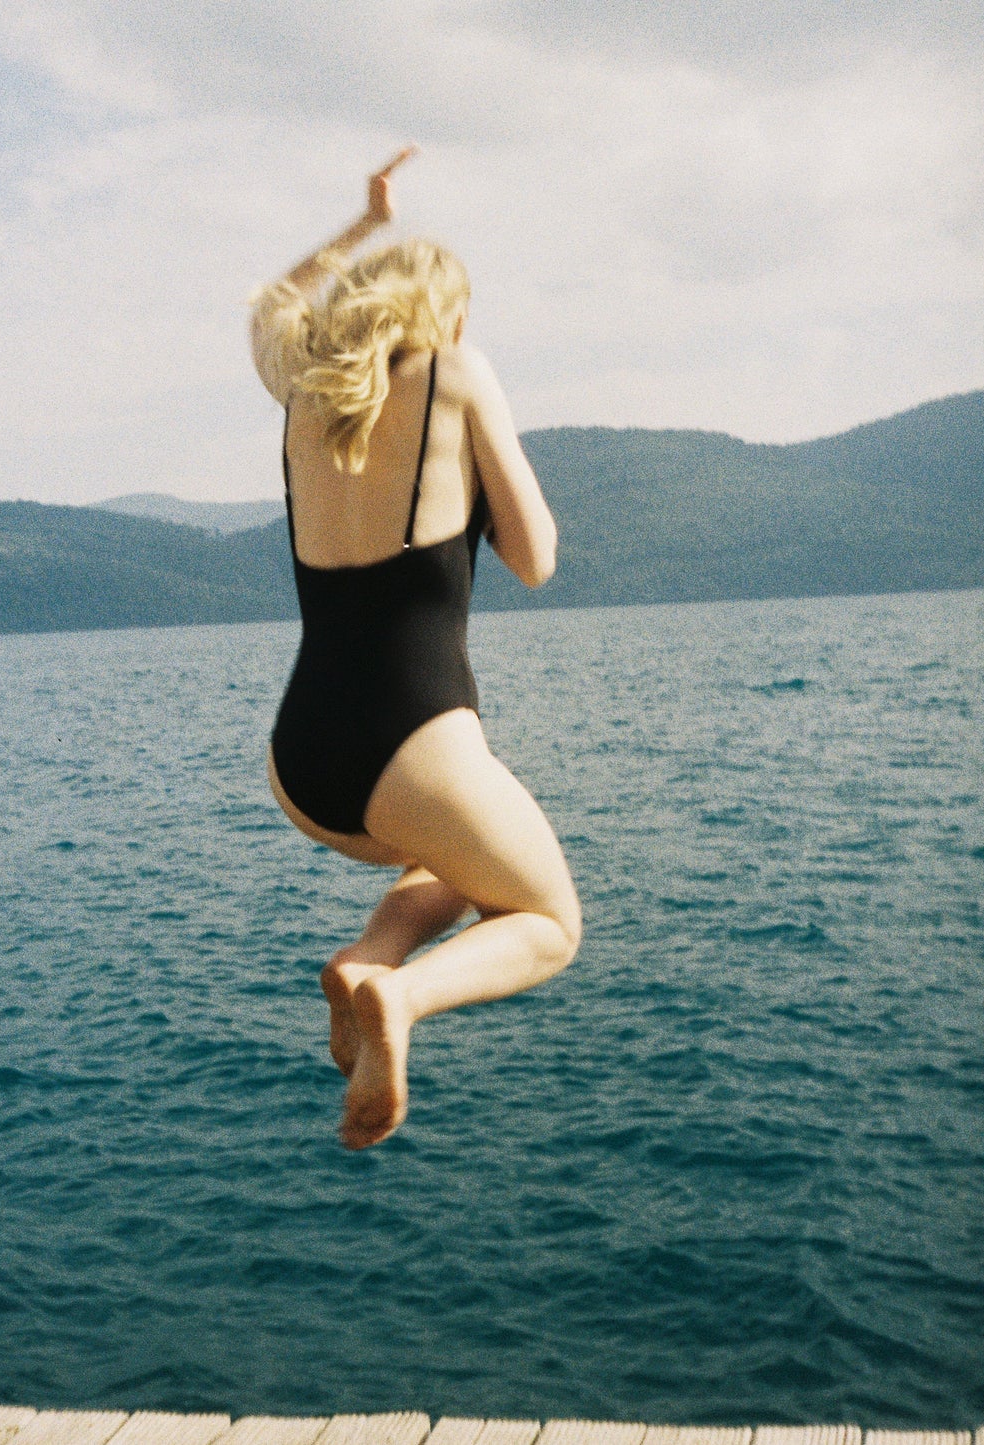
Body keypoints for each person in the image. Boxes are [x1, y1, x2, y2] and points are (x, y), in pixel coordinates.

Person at [248, 148, 581, 1150]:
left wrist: (361, 223)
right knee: (547, 921)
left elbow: (270, 299)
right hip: (414, 742)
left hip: (301, 763)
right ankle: (401, 997)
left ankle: (368, 955)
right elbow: (534, 558)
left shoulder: (303, 390)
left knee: (447, 853)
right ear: (445, 317)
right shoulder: (457, 372)